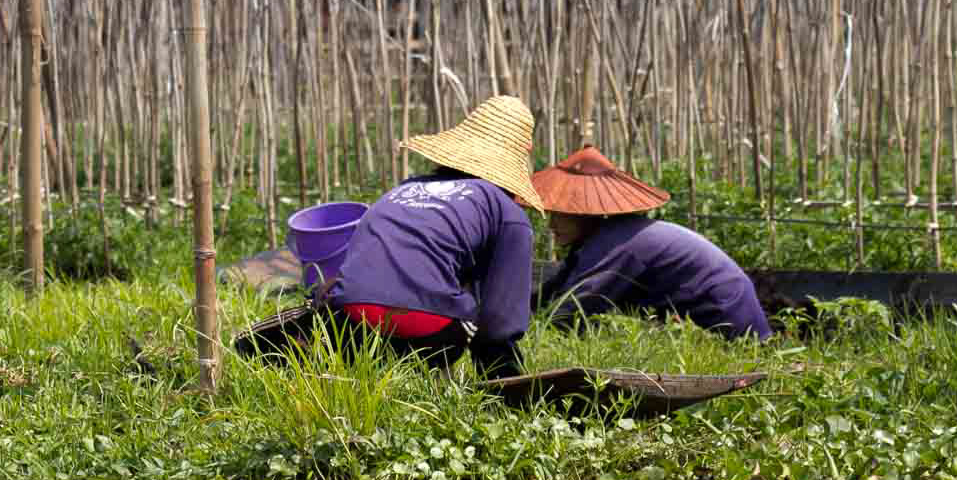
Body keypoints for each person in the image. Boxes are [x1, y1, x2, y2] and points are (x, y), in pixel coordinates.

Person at [324, 95, 546, 378]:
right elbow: (500, 322)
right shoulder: (506, 212)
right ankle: (439, 383)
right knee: (468, 315)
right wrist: (505, 381)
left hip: (353, 316)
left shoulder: (406, 188)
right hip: (426, 328)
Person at [531, 146, 771, 340]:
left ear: (582, 213)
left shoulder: (616, 244)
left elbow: (570, 310)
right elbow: (558, 288)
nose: (551, 225)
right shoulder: (604, 238)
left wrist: (530, 335)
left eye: (559, 216)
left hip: (730, 318)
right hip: (727, 307)